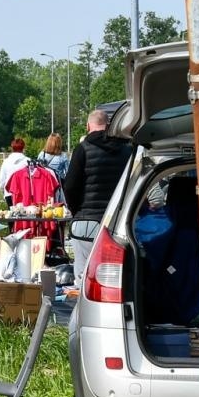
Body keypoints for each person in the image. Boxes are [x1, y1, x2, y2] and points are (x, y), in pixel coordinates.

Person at [63, 108, 134, 275]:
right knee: (115, 274)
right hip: (119, 223)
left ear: (88, 126)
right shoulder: (127, 150)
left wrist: (77, 211)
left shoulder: (83, 149)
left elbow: (70, 186)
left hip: (87, 223)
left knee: (84, 275)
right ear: (109, 125)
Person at [0, 138, 32, 204]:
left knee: (11, 213)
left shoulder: (6, 161)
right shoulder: (28, 161)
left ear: (12, 148)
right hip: (25, 194)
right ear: (23, 148)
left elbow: (1, 180)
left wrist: (4, 191)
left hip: (9, 193)